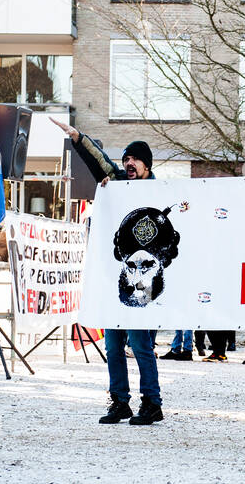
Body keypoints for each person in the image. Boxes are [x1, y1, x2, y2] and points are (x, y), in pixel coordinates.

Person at [51, 117, 165, 426]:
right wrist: (77, 138)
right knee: (113, 344)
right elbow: (99, 161)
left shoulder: (161, 192)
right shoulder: (116, 184)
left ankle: (152, 403)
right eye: (126, 158)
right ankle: (120, 402)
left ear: (147, 165)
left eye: (135, 159)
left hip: (144, 284)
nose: (129, 163)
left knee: (141, 345)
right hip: (117, 281)